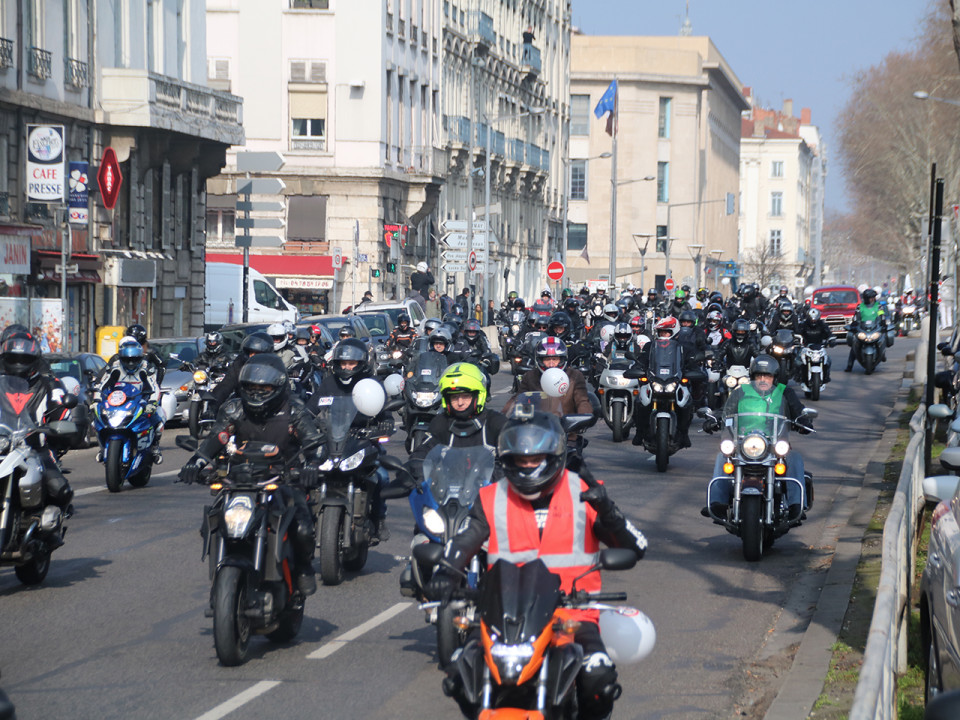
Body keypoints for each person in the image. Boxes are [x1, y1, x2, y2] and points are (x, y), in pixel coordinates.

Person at [426, 410, 647, 720]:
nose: (528, 465)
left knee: (598, 680)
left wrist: (607, 510)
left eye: (536, 459)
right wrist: (446, 572)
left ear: (553, 456)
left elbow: (636, 547)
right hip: (503, 615)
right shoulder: (491, 497)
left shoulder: (584, 492)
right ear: (508, 459)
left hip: (573, 614)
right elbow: (464, 540)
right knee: (460, 676)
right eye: (521, 459)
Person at [178, 354, 325, 596]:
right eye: (251, 388)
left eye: (263, 388)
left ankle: (303, 569)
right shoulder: (233, 409)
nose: (257, 393)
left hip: (284, 478)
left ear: (278, 386)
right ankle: (220, 576)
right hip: (240, 479)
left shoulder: (294, 410)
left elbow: (314, 443)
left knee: (302, 528)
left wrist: (312, 465)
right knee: (213, 523)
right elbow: (215, 439)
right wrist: (195, 463)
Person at [702, 354, 813, 522]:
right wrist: (715, 419)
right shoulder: (741, 391)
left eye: (767, 376)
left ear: (774, 377)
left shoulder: (784, 392)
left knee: (794, 457)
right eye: (758, 376)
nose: (762, 379)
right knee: (723, 456)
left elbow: (798, 410)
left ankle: (796, 505)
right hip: (743, 443)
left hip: (774, 444)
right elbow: (726, 410)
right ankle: (718, 503)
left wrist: (803, 420)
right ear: (752, 377)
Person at [0, 332, 74, 512]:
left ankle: (51, 520)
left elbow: (61, 411)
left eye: (24, 359)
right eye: (13, 358)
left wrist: (57, 425)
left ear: (34, 360)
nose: (18, 363)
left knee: (60, 490)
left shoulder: (49, 384)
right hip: (4, 445)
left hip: (36, 449)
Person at [98, 336, 165, 463]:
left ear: (140, 358)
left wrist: (152, 403)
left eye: (134, 360)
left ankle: (155, 447)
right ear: (121, 358)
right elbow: (101, 385)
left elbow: (155, 387)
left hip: (140, 400)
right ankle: (103, 448)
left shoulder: (146, 368)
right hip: (118, 401)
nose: (130, 364)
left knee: (158, 417)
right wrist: (96, 400)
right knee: (97, 418)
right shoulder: (115, 367)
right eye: (126, 360)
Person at [506, 336, 593, 417]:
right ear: (540, 360)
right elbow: (517, 399)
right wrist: (504, 416)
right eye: (547, 359)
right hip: (537, 425)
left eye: (555, 359)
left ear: (562, 360)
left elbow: (582, 401)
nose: (551, 364)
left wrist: (584, 417)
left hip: (566, 426)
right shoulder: (530, 376)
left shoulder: (574, 376)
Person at [210, 331, 275, 406]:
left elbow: (282, 391)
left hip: (268, 405)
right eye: (251, 352)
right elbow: (226, 385)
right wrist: (212, 406)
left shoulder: (274, 365)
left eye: (257, 353)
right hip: (243, 404)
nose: (252, 356)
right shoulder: (240, 362)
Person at [845, 287, 886, 371]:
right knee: (855, 344)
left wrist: (883, 323)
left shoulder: (878, 306)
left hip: (875, 328)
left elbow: (882, 316)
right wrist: (854, 324)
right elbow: (856, 317)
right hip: (862, 329)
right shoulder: (860, 307)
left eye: (873, 297)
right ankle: (849, 365)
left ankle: (882, 354)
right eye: (870, 298)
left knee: (882, 339)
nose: (872, 299)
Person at [797, 307, 834, 381]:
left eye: (815, 319)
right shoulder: (803, 325)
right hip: (806, 347)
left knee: (828, 361)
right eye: (812, 319)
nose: (813, 321)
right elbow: (798, 333)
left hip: (819, 347)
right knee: (798, 361)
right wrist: (797, 340)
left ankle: (826, 376)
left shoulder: (823, 325)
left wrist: (831, 340)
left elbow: (829, 334)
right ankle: (799, 376)